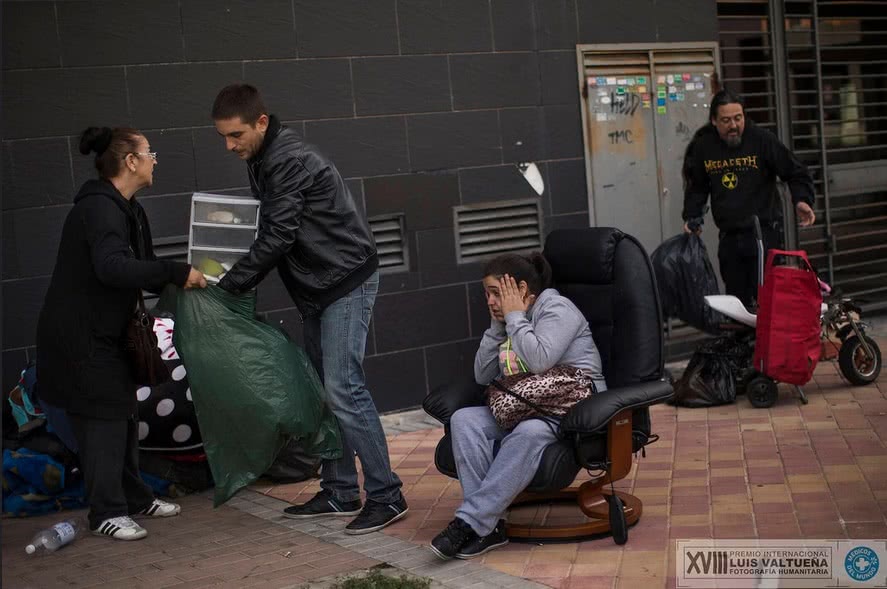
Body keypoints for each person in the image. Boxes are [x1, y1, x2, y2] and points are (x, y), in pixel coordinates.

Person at [210, 84, 407, 534]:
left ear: (261, 122)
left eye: (236, 135)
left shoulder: (286, 159)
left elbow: (277, 236)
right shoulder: (263, 156)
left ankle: (387, 495)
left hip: (344, 279)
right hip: (318, 283)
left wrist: (231, 284)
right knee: (322, 389)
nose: (229, 146)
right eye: (223, 137)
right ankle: (340, 490)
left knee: (343, 387)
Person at [36, 126, 207, 541]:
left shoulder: (128, 208)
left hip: (107, 334)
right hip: (79, 339)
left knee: (124, 414)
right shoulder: (99, 209)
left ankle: (133, 497)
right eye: (150, 153)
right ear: (131, 161)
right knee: (103, 422)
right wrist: (174, 272)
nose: (154, 160)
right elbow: (112, 267)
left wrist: (186, 278)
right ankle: (106, 512)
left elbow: (142, 268)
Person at [429, 253, 607, 560]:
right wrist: (497, 327)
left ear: (521, 290)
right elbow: (482, 375)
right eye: (487, 294)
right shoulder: (507, 320)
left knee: (530, 431)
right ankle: (490, 526)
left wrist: (514, 318)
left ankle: (469, 523)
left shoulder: (557, 308)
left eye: (496, 293)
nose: (489, 301)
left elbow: (539, 360)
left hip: (568, 406)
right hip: (523, 403)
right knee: (464, 420)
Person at [682, 89, 816, 307]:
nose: (733, 126)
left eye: (738, 118)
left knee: (768, 300)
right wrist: (692, 216)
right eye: (726, 120)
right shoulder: (704, 147)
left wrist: (802, 200)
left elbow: (795, 171)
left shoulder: (762, 140)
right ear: (714, 121)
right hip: (730, 238)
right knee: (737, 303)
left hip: (763, 235)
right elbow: (697, 186)